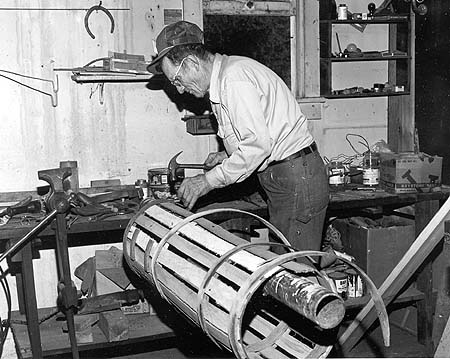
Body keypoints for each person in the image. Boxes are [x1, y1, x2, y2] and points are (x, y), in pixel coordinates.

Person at [147, 20, 329, 251]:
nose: (180, 90)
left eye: (177, 81)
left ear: (191, 63)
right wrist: (227, 154)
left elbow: (257, 147)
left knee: (294, 270)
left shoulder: (234, 80)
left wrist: (207, 181)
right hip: (285, 176)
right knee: (285, 262)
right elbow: (258, 133)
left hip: (294, 176)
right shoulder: (222, 82)